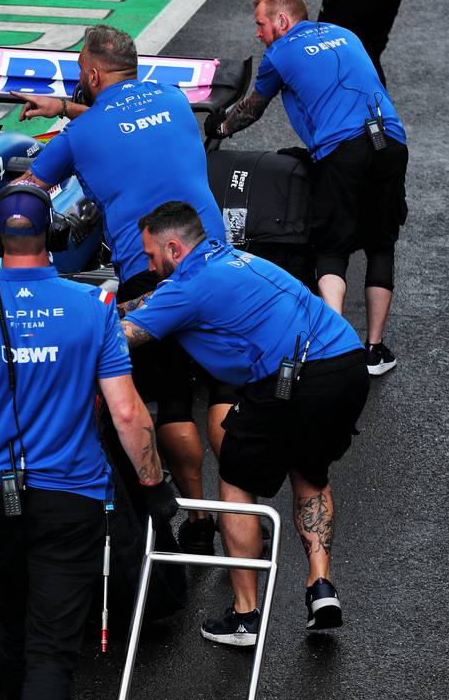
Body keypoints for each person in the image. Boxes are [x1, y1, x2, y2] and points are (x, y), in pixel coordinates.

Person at [0, 24, 233, 556]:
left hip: (150, 272)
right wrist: (63, 108)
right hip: (216, 257)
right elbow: (121, 120)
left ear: (91, 73)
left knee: (173, 401)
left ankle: (198, 514)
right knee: (222, 384)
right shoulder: (172, 97)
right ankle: (237, 500)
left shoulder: (80, 137)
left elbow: (27, 192)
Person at [0, 184, 176, 699]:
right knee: (52, 648)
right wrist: (153, 484)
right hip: (72, 496)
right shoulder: (94, 306)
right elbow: (126, 411)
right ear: (53, 234)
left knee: (15, 628)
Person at [119, 201, 369, 645]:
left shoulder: (188, 289)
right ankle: (320, 586)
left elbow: (120, 339)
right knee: (308, 471)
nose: (148, 263)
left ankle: (245, 616)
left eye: (151, 255)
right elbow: (154, 300)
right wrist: (121, 303)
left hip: (294, 376)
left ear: (174, 248)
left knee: (234, 473)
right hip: (345, 365)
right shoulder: (231, 257)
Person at [210, 0, 409, 376]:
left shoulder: (280, 54)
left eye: (261, 24)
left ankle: (334, 347)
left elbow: (252, 109)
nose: (258, 33)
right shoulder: (345, 32)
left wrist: (222, 125)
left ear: (282, 22)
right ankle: (374, 350)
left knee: (331, 245)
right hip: (390, 140)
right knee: (381, 243)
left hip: (342, 149)